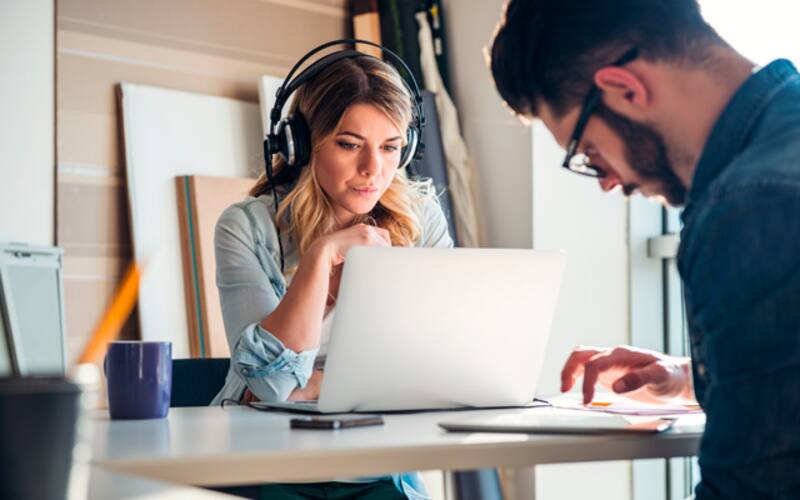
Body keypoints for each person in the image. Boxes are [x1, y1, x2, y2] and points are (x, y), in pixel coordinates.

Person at [489, 1, 800, 498]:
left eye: (589, 152)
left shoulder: (750, 205)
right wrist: (694, 375)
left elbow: (754, 487)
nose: (608, 183)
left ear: (625, 89)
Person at [210, 50, 451, 500]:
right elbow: (271, 384)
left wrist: (317, 385)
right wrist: (321, 257)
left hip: (379, 462)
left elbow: (436, 365)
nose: (373, 170)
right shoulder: (246, 228)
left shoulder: (421, 219)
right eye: (349, 143)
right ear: (303, 142)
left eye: (390, 147)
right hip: (273, 460)